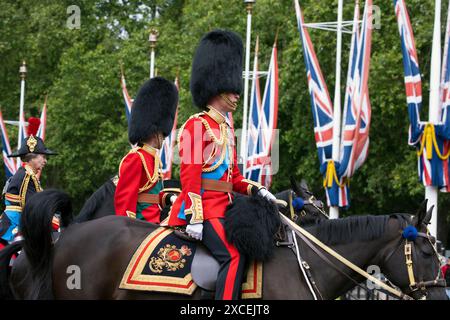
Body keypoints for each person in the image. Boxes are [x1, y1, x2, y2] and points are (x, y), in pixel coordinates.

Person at [166, 29, 277, 300]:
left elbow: (234, 178)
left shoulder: (226, 129)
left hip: (226, 208)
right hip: (204, 209)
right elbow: (189, 175)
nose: (237, 96)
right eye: (232, 90)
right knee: (234, 256)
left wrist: (256, 191)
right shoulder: (196, 125)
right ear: (216, 87)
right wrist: (196, 215)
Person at [114, 77, 179, 223]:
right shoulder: (136, 158)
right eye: (163, 133)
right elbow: (125, 200)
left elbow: (154, 196)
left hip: (155, 223)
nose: (164, 137)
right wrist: (128, 229)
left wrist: (170, 197)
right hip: (140, 226)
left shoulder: (154, 159)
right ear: (155, 131)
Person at [0, 117, 57, 244]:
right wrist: (58, 222)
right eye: (43, 156)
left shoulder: (28, 175)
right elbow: (33, 208)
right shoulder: (26, 177)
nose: (45, 161)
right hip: (15, 225)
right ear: (31, 158)